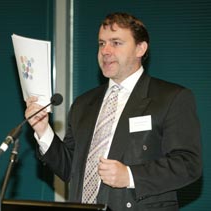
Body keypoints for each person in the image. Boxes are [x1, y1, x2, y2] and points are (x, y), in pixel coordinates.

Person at [24, 12, 202, 211]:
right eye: (101, 44)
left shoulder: (171, 98)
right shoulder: (83, 104)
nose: (105, 51)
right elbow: (69, 169)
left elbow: (188, 165)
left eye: (116, 43)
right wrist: (43, 130)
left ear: (140, 48)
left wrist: (130, 176)